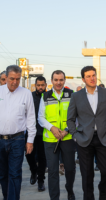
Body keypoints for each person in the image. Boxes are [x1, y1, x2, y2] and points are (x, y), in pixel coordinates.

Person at [0, 65, 35, 200]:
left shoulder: (26, 94)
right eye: (11, 79)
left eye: (17, 79)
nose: (14, 82)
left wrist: (30, 140)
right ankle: (7, 196)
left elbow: (31, 119)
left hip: (18, 140)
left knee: (15, 173)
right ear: (5, 78)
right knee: (2, 174)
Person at [67, 66, 106, 200]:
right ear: (83, 79)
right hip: (84, 139)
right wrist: (75, 136)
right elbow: (70, 119)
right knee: (87, 174)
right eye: (88, 76)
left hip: (104, 138)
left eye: (94, 75)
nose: (92, 78)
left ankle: (102, 190)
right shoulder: (76, 96)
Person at [38, 70, 76, 200]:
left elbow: (77, 116)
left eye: (61, 80)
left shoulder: (72, 95)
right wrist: (52, 128)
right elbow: (41, 118)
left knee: (70, 169)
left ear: (64, 80)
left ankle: (70, 190)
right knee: (53, 171)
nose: (58, 82)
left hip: (68, 137)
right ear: (52, 81)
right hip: (50, 139)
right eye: (56, 80)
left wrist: (67, 130)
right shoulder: (45, 96)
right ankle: (54, 197)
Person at [26, 76, 47, 192]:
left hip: (44, 132)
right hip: (30, 132)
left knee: (42, 157)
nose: (40, 87)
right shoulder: (30, 96)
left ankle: (41, 181)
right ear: (35, 85)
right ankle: (33, 170)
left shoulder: (48, 97)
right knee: (29, 154)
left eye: (42, 85)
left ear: (45, 85)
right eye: (38, 85)